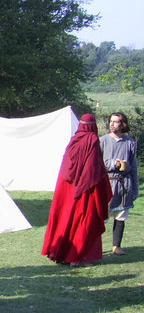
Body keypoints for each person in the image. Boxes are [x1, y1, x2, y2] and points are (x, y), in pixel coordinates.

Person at [42, 114, 112, 267]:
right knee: (84, 222)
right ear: (93, 126)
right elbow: (93, 170)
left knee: (66, 220)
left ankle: (60, 254)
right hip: (85, 191)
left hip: (68, 190)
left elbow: (66, 169)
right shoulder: (93, 140)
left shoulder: (72, 141)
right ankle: (78, 256)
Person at [100, 112, 139, 256]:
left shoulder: (130, 142)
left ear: (123, 125)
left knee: (121, 216)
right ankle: (96, 247)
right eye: (111, 121)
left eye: (116, 122)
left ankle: (116, 246)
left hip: (124, 185)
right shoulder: (103, 141)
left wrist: (135, 190)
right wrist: (112, 164)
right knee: (102, 218)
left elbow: (134, 167)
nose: (112, 124)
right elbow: (97, 164)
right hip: (107, 184)